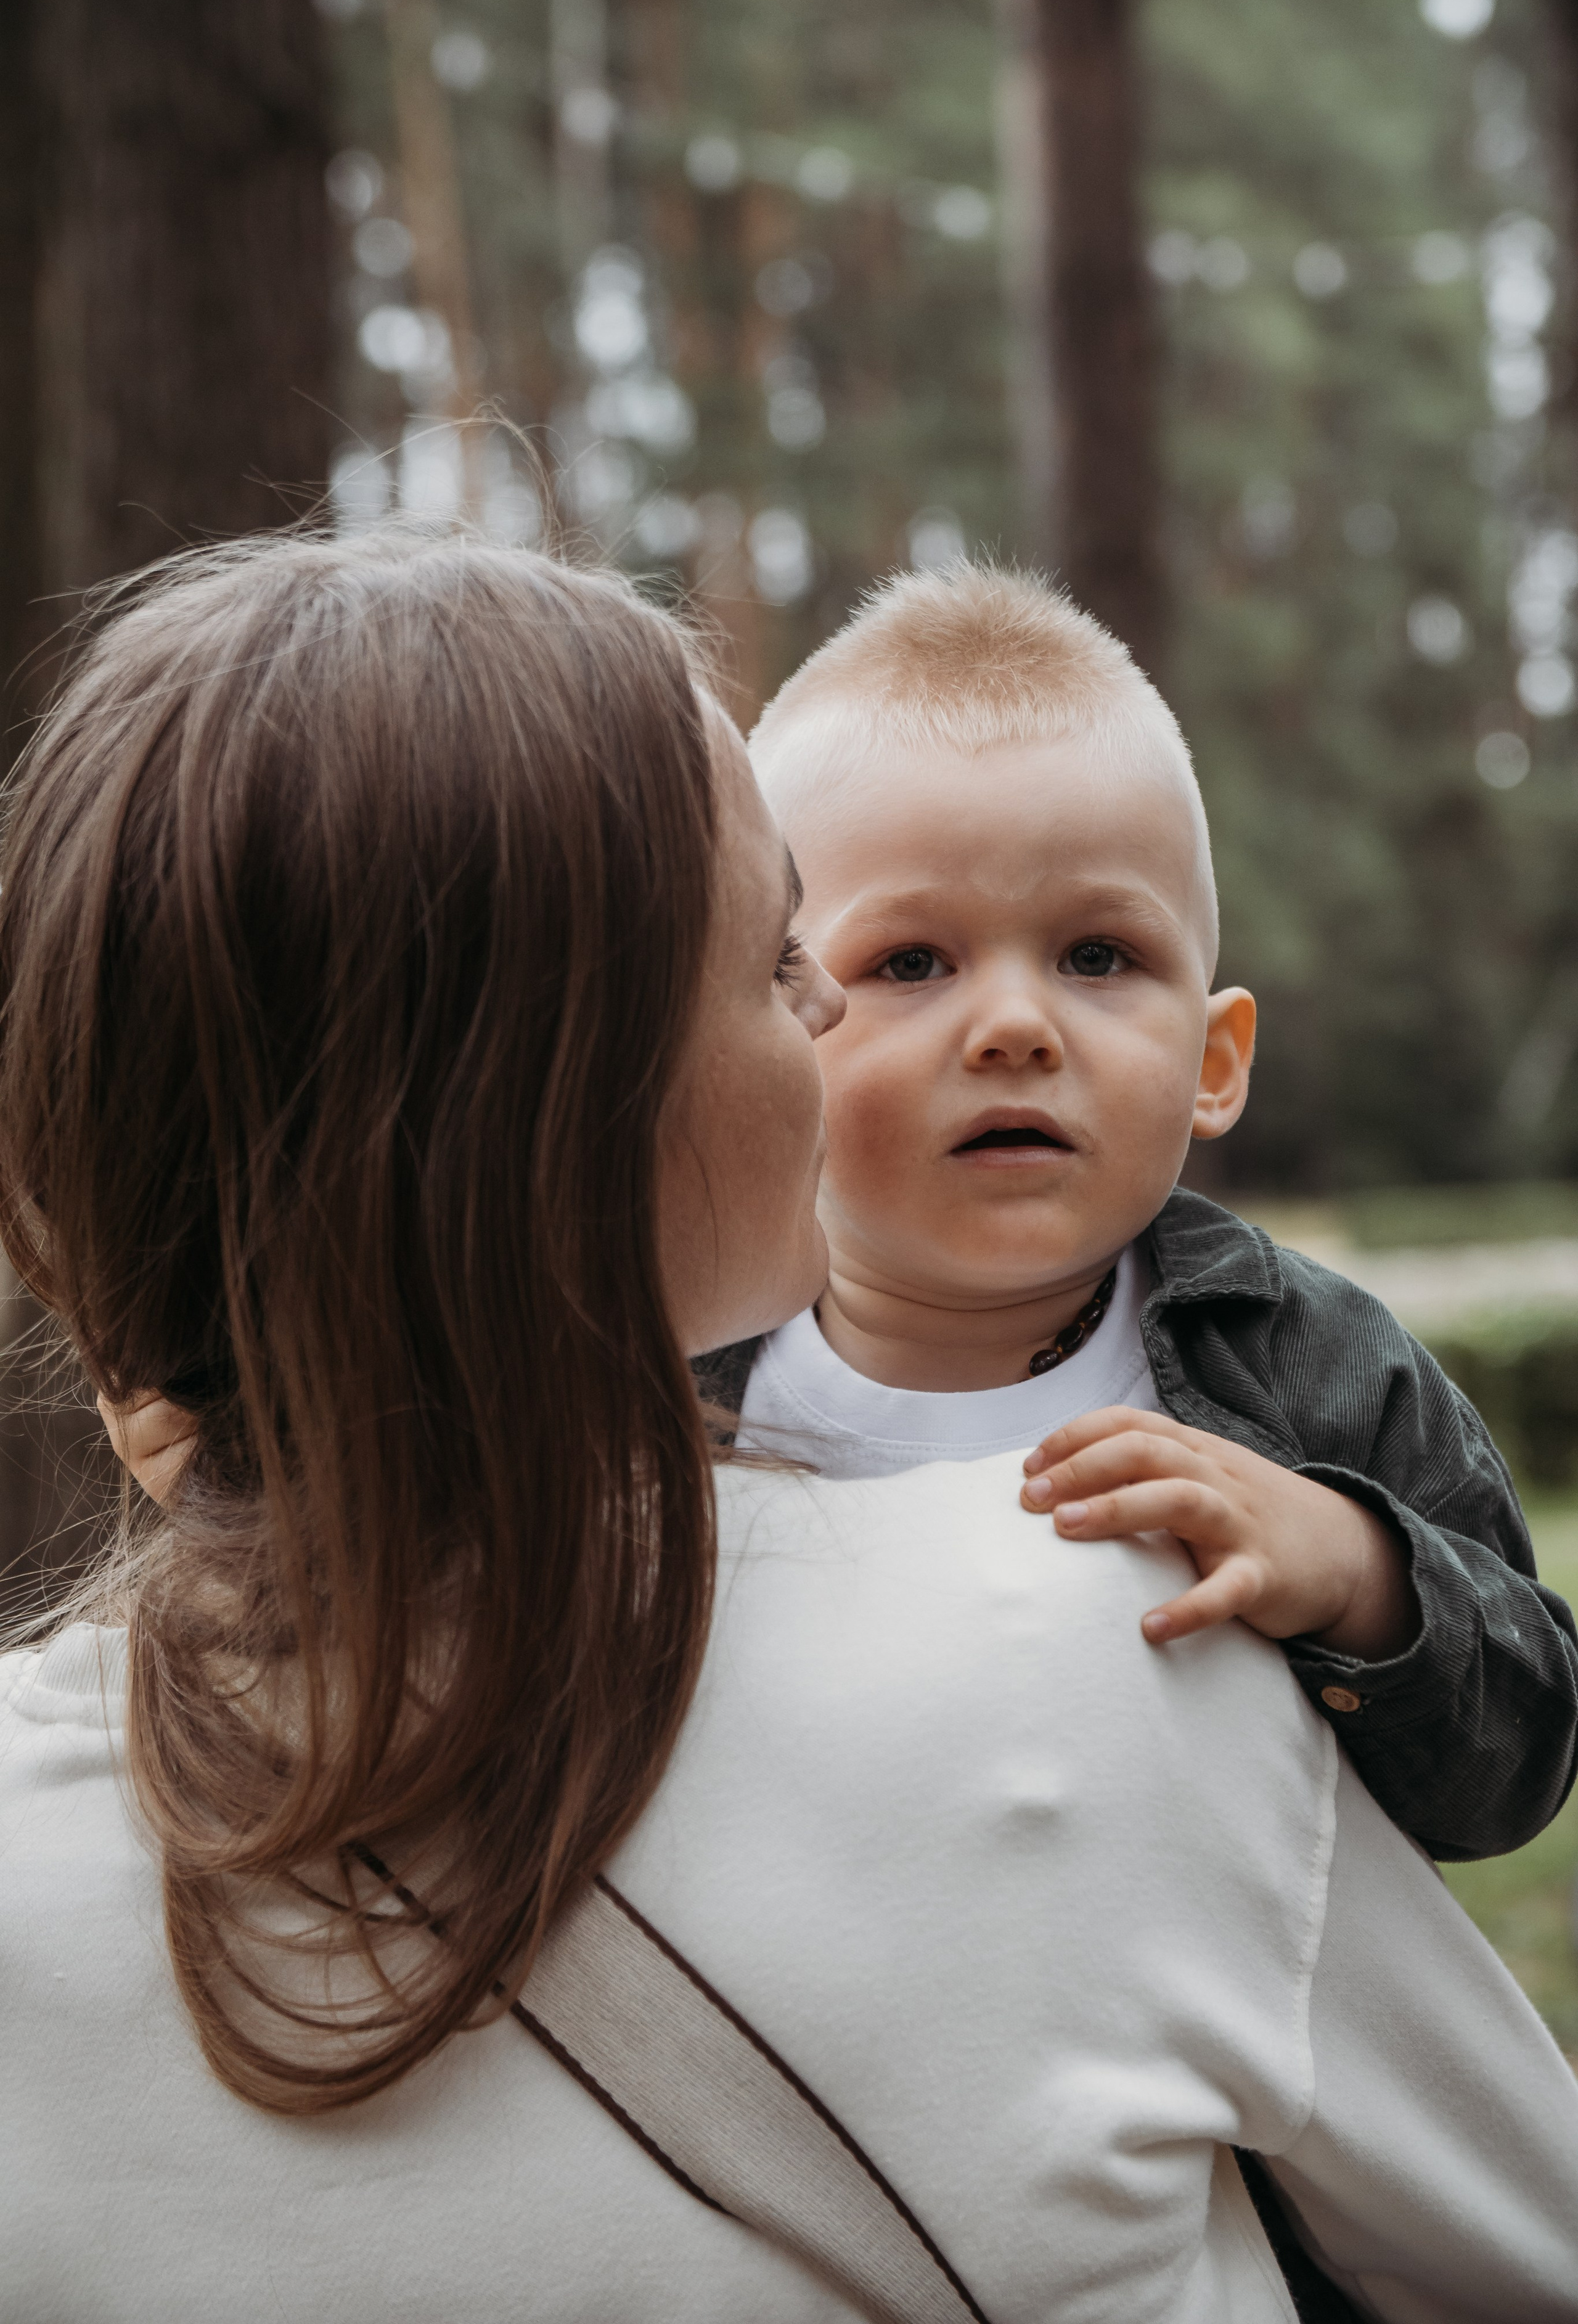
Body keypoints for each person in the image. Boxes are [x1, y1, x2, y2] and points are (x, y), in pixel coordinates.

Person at [1, 528, 1576, 2324]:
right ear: (570, 1111)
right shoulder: (1113, 1665)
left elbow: (1518, 1725)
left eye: (1095, 956)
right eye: (796, 963)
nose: (880, 1019)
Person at [698, 562, 1578, 1864]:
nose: (1011, 1027)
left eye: (1097, 956)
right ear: (776, 1018)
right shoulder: (659, 1376)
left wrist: (1357, 1575)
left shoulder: (1310, 1371)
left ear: (1214, 1061)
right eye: (910, 962)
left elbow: (1516, 1769)